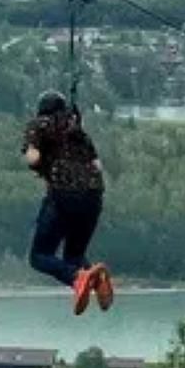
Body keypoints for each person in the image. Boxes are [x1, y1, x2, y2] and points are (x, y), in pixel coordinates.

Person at [22, 90, 114, 314]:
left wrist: (35, 157)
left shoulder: (40, 125)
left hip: (63, 196)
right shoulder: (79, 132)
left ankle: (77, 278)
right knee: (73, 255)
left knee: (39, 256)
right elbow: (98, 166)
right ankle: (95, 276)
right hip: (93, 198)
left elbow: (33, 157)